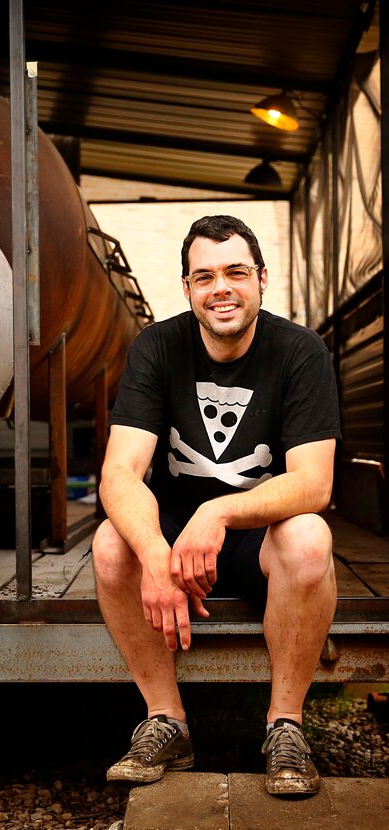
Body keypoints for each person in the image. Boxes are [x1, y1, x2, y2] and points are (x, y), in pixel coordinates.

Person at [92, 215, 340, 797]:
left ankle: (285, 725)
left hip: (258, 537)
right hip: (176, 537)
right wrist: (155, 552)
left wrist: (220, 512)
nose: (220, 287)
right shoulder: (156, 346)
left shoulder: (300, 352)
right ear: (187, 289)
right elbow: (118, 473)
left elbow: (314, 484)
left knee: (309, 539)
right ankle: (166, 721)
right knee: (110, 543)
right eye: (204, 276)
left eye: (235, 272)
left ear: (261, 279)